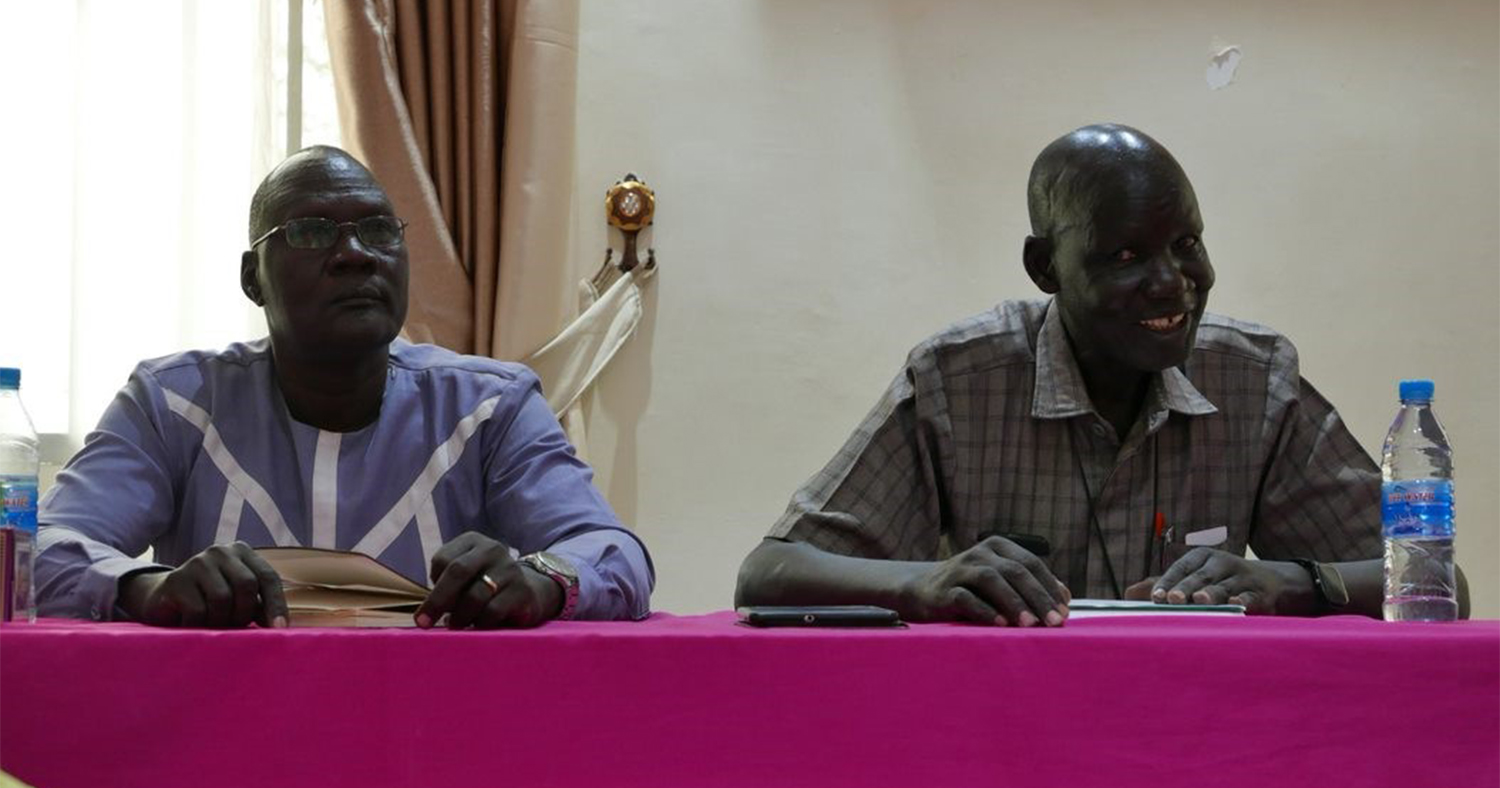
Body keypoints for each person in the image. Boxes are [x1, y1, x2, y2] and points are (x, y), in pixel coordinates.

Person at [736, 123, 1468, 625]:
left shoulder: (1255, 380)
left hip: (1196, 735)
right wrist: (921, 583)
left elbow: (1441, 586)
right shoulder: (960, 380)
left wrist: (1289, 583)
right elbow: (766, 574)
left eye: (1186, 243)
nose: (1172, 282)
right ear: (1046, 267)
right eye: (1125, 256)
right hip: (1006, 735)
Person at [35, 146, 653, 629]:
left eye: (380, 231)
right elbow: (41, 551)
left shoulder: (492, 406)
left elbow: (611, 552)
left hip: (434, 734)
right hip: (228, 731)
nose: (355, 255)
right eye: (310, 231)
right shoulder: (172, 401)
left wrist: (543, 578)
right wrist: (149, 588)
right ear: (254, 278)